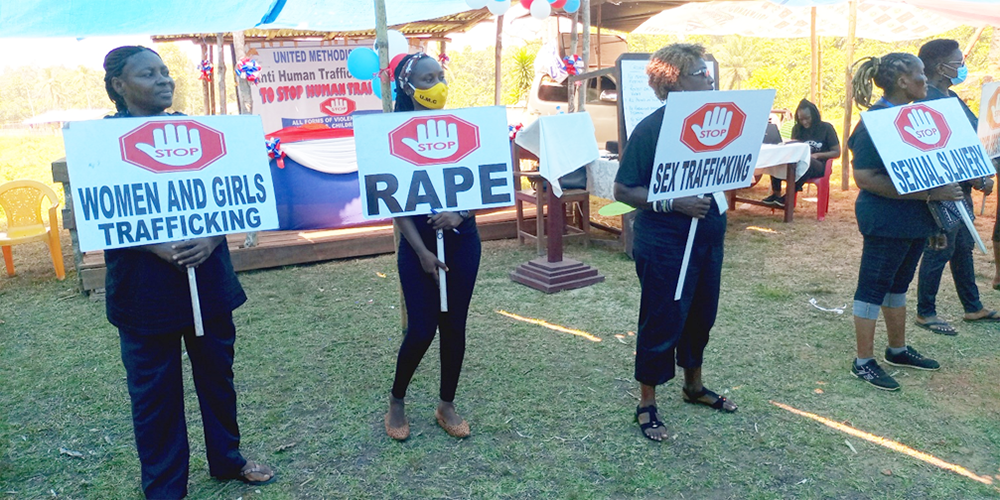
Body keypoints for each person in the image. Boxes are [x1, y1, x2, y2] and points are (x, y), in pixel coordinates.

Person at [102, 46, 274, 498]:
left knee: (217, 378)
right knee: (154, 395)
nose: (164, 80)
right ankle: (164, 487)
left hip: (208, 282)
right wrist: (157, 246)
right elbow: (98, 208)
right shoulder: (98, 143)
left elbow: (235, 193)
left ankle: (227, 460)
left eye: (165, 71)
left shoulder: (199, 130)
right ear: (120, 86)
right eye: (148, 74)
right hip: (144, 294)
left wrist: (212, 237)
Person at [614, 43, 737, 443]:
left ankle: (693, 386)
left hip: (706, 233)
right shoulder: (652, 128)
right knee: (662, 317)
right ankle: (646, 402)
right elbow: (623, 188)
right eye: (701, 72)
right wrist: (673, 202)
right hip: (666, 239)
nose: (709, 77)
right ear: (675, 79)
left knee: (702, 314)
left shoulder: (719, 122)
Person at [847, 52, 963, 391]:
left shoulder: (917, 117)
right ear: (902, 81)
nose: (926, 80)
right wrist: (930, 197)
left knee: (898, 287)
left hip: (915, 219)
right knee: (872, 289)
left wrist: (935, 222)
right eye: (921, 75)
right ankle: (863, 361)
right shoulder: (874, 123)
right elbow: (865, 178)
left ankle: (896, 350)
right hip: (884, 220)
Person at [384, 52, 482, 441]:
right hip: (419, 248)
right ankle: (396, 400)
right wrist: (422, 252)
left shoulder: (462, 128)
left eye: (440, 76)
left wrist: (460, 215)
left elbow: (483, 183)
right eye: (428, 79)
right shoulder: (390, 135)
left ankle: (446, 404)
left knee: (454, 326)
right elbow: (393, 202)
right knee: (422, 328)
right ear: (407, 87)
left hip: (463, 242)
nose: (438, 85)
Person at [914, 39, 999, 335]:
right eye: (959, 61)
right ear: (940, 67)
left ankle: (972, 306)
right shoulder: (929, 102)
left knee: (962, 246)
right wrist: (975, 176)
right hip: (942, 189)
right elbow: (940, 150)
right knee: (940, 247)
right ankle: (926, 312)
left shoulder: (951, 98)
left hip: (961, 187)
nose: (963, 66)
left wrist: (983, 170)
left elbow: (973, 138)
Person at [761, 99, 840, 208]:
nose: (804, 122)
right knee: (778, 158)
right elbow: (794, 148)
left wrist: (817, 155)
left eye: (807, 118)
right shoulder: (797, 129)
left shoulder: (826, 128)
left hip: (819, 165)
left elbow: (836, 152)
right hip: (798, 162)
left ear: (814, 115)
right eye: (801, 119)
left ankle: (789, 196)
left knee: (807, 161)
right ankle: (776, 194)